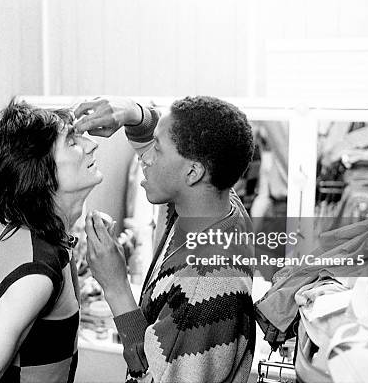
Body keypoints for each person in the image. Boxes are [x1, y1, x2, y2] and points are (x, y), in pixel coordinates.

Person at [75, 96, 256, 383]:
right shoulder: (217, 205)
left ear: (193, 172)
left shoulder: (204, 289)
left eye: (157, 149)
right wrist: (134, 114)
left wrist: (116, 286)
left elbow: (153, 375)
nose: (145, 157)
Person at [0, 99, 103, 383]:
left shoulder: (29, 236)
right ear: (42, 174)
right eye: (72, 142)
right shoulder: (35, 273)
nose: (91, 145)